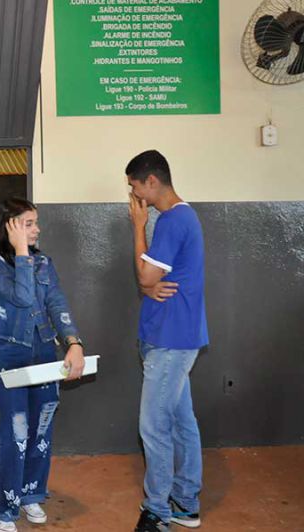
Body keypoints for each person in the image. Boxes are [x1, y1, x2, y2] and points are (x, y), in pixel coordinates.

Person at [0, 198, 85, 532]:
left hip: (43, 353)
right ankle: (4, 507)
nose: (37, 229)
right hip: (7, 355)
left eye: (36, 222)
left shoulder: (44, 263)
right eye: (28, 223)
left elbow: (57, 302)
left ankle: (30, 493)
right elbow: (23, 297)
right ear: (9, 228)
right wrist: (22, 251)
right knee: (16, 432)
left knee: (41, 427)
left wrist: (74, 343)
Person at [126, 150, 208, 532]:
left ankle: (157, 511)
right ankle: (186, 503)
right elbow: (152, 281)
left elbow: (145, 276)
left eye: (135, 187)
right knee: (179, 420)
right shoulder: (180, 218)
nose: (134, 195)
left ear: (152, 181)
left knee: (154, 426)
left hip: (171, 341)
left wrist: (138, 226)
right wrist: (149, 286)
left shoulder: (173, 220)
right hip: (173, 337)